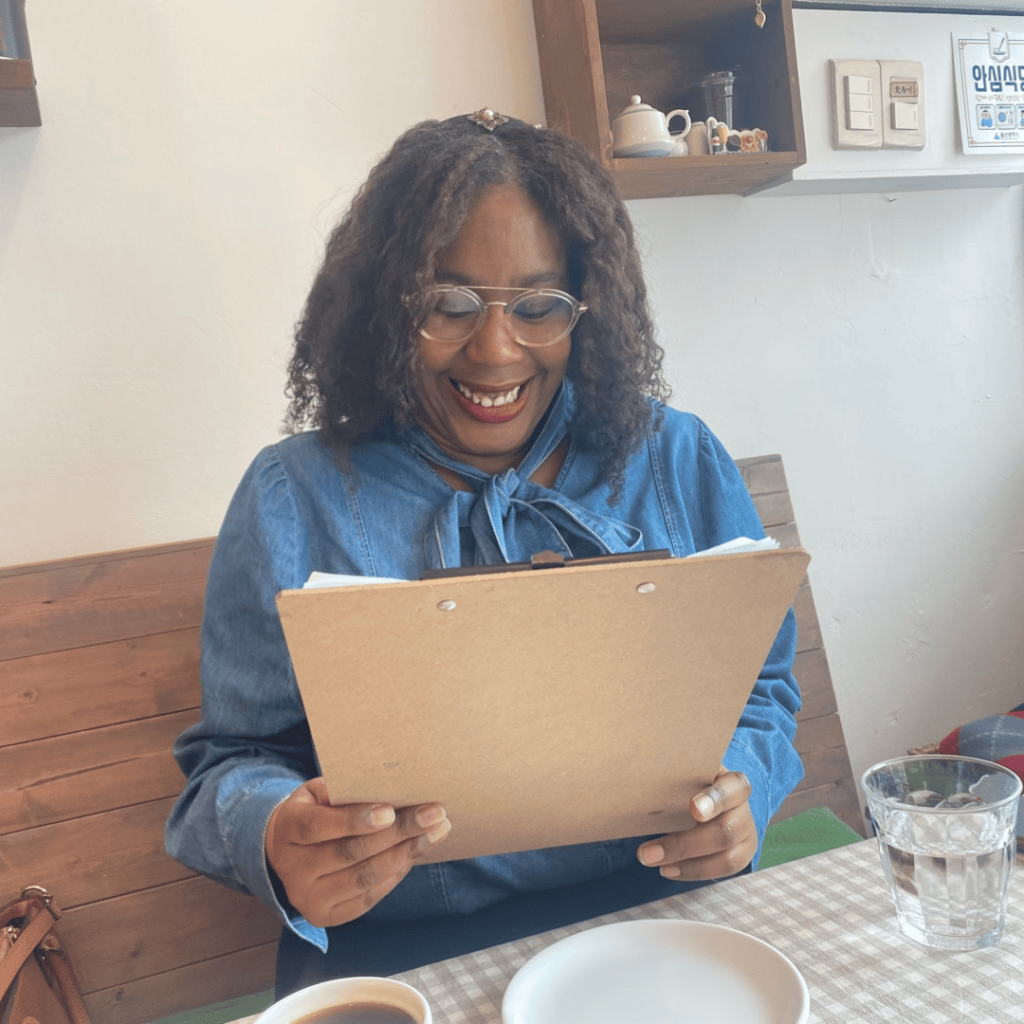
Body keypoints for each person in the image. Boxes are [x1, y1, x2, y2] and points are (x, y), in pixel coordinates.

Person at [164, 108, 803, 998]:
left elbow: (764, 688)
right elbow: (226, 764)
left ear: (589, 309)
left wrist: (748, 792)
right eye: (447, 304)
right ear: (386, 307)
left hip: (654, 919)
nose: (496, 350)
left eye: (538, 306)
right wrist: (277, 834)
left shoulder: (676, 458)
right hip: (401, 954)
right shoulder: (294, 496)